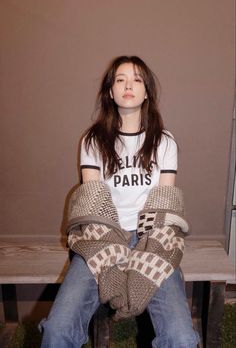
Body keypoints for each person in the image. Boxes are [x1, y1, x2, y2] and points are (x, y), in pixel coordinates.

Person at [39, 56, 200, 347]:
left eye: (137, 79)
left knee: (182, 337)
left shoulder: (165, 142)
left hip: (152, 238)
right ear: (110, 91)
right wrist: (111, 259)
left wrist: (146, 254)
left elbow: (165, 206)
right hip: (101, 236)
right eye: (120, 79)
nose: (129, 85)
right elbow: (92, 203)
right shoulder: (92, 140)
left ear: (147, 91)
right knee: (57, 329)